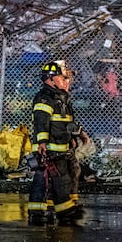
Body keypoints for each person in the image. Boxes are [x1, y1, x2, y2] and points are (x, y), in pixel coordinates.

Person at [27, 61, 87, 225]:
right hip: (50, 148)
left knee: (66, 175)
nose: (67, 80)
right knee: (54, 179)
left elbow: (66, 122)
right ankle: (49, 212)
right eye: (63, 77)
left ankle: (56, 209)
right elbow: (41, 121)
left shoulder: (61, 97)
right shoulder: (45, 98)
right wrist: (43, 143)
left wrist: (77, 135)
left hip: (61, 146)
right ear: (50, 79)